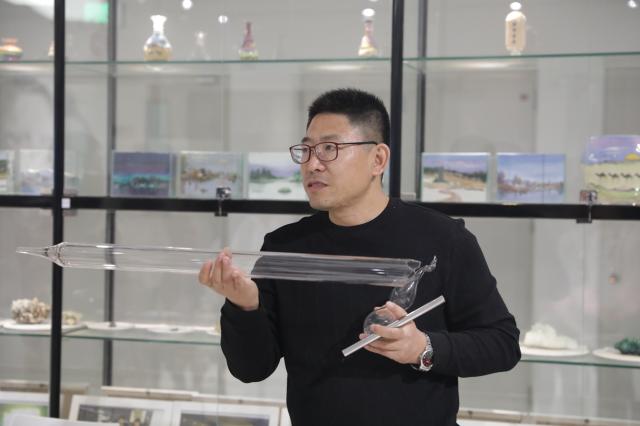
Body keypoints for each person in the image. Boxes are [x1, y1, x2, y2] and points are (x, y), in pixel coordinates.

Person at [198, 88, 520, 426]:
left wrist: (423, 348)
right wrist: (245, 307)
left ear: (378, 159)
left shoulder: (443, 239)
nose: (312, 164)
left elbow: (502, 343)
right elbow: (251, 369)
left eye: (329, 149)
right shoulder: (286, 246)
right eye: (306, 150)